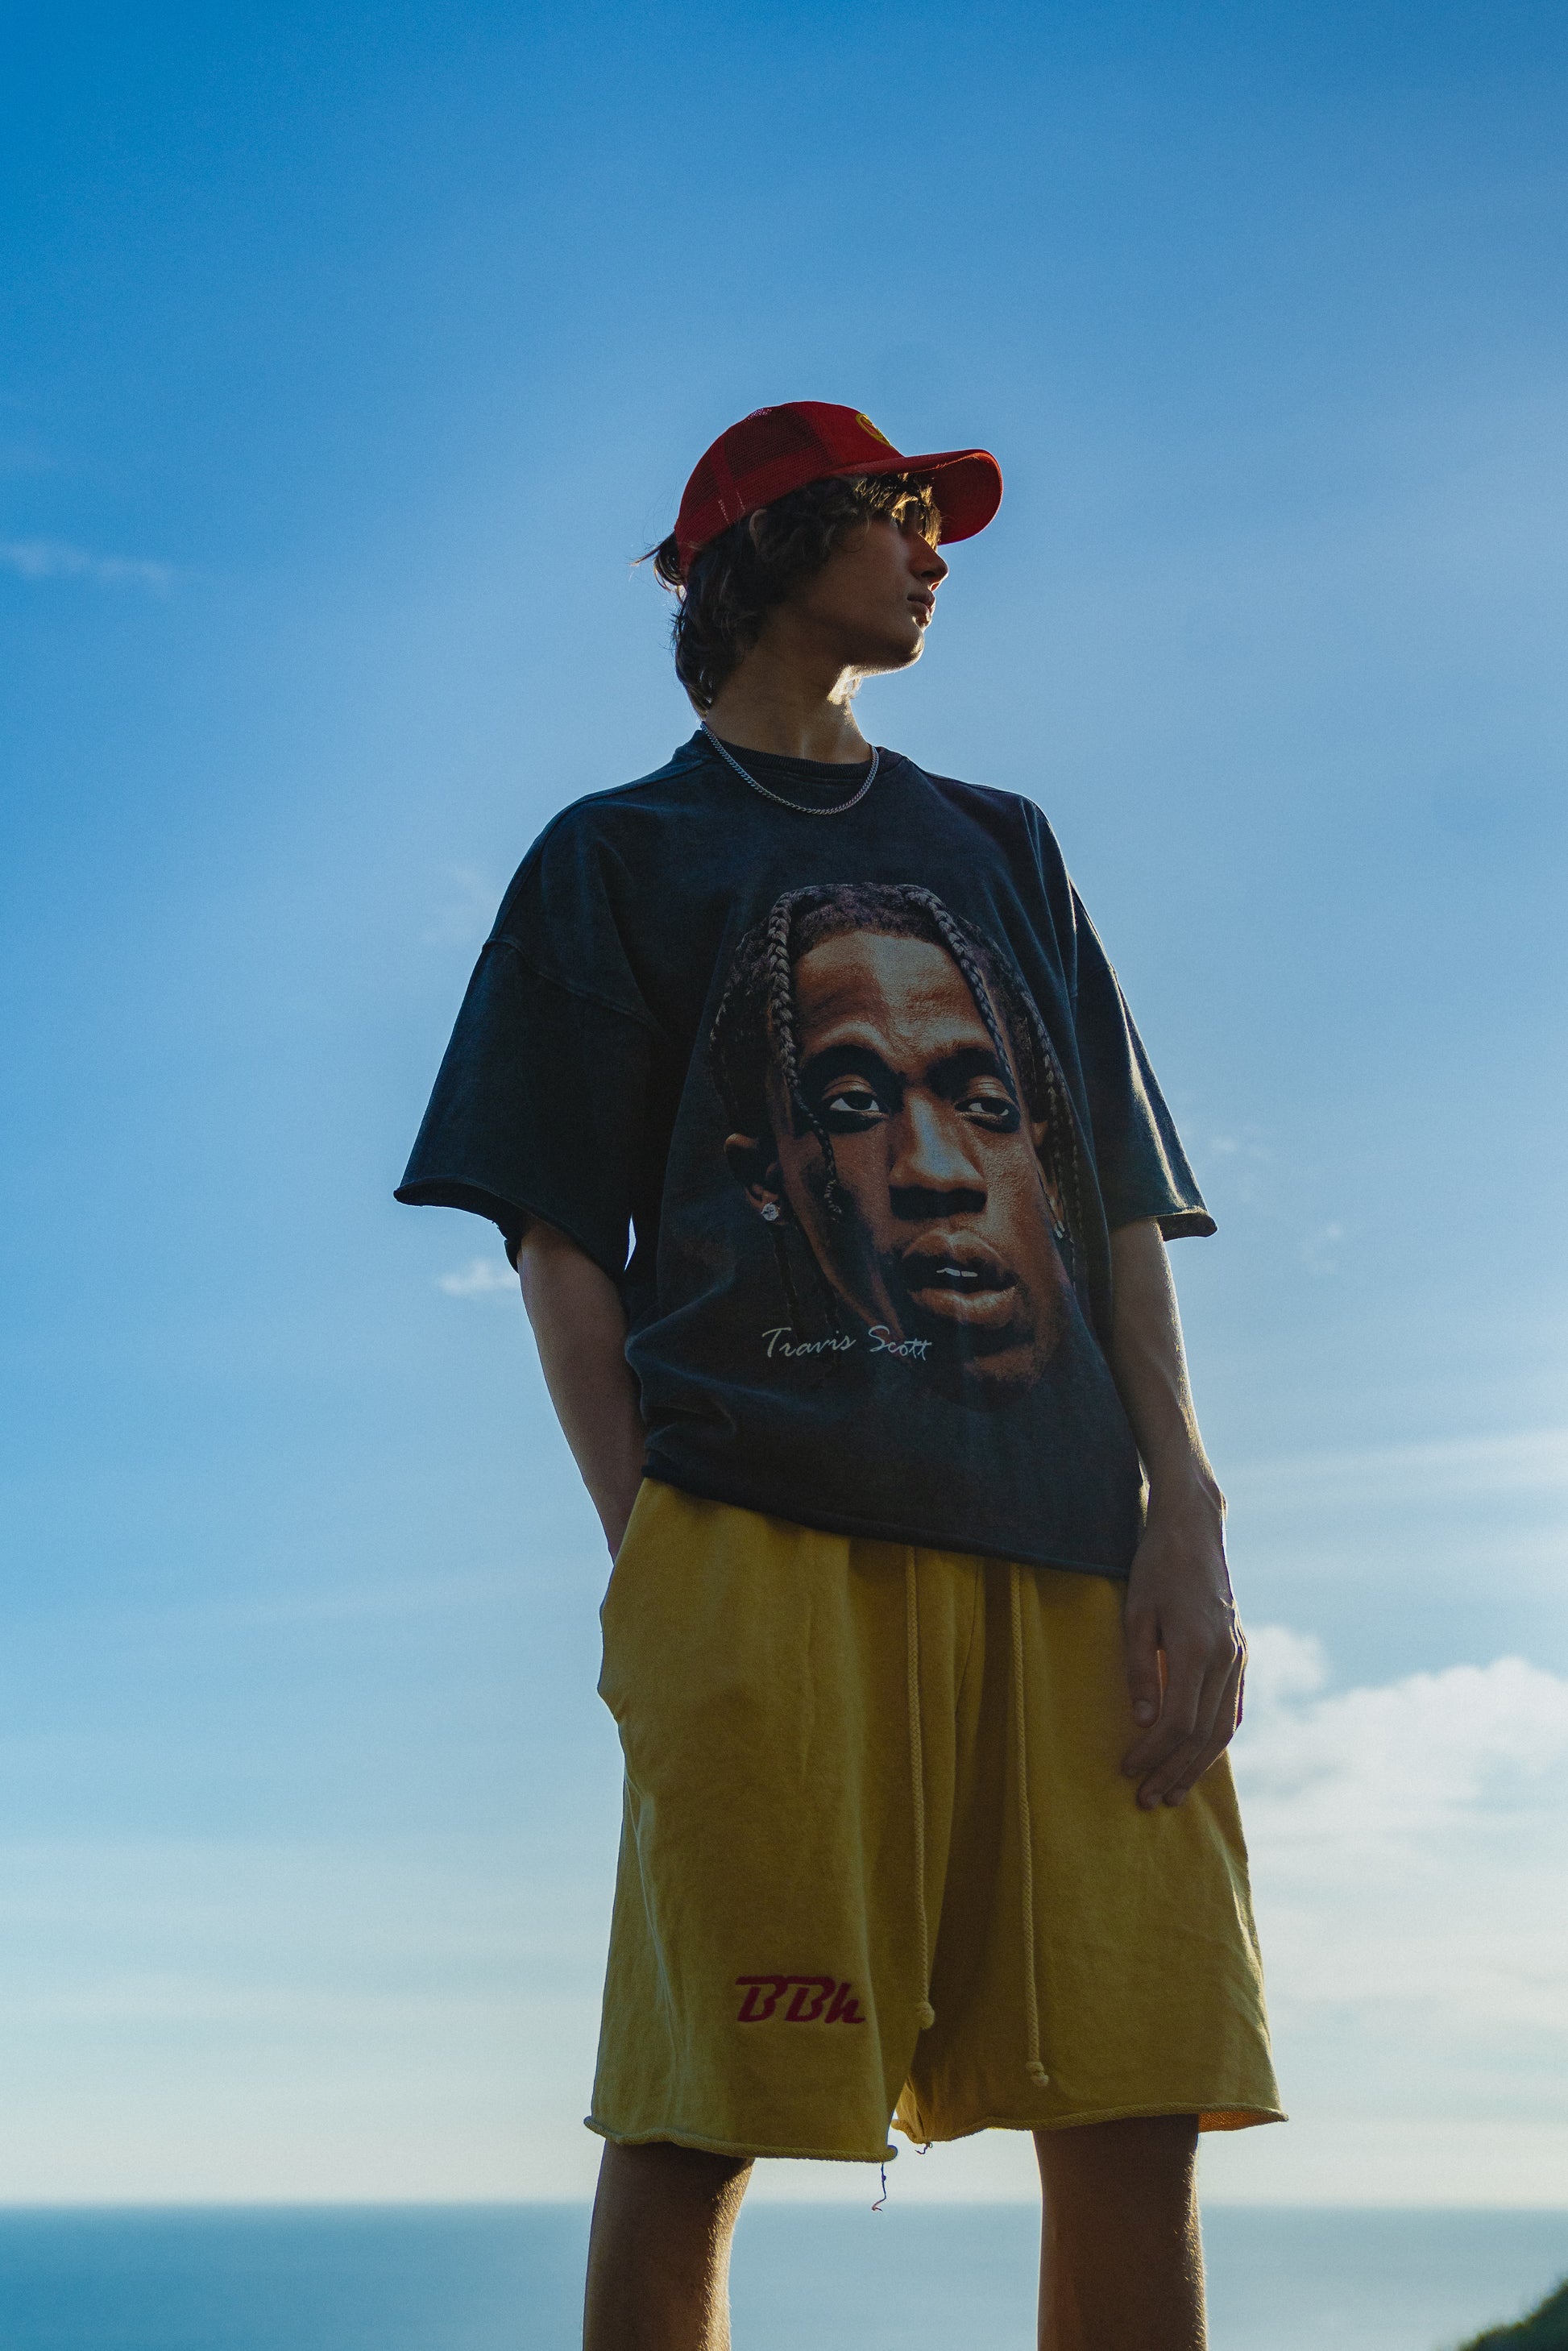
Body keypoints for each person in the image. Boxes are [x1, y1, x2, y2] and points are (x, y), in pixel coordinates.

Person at [397, 400, 1283, 2351]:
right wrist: (652, 1547)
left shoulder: (1001, 843)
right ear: (771, 542)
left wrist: (1188, 1515)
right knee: (698, 2112)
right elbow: (558, 1240)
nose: (935, 551)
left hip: (1070, 1548)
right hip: (761, 1540)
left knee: (1137, 2096)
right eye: (897, 512)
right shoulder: (616, 855)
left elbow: (1117, 1200)